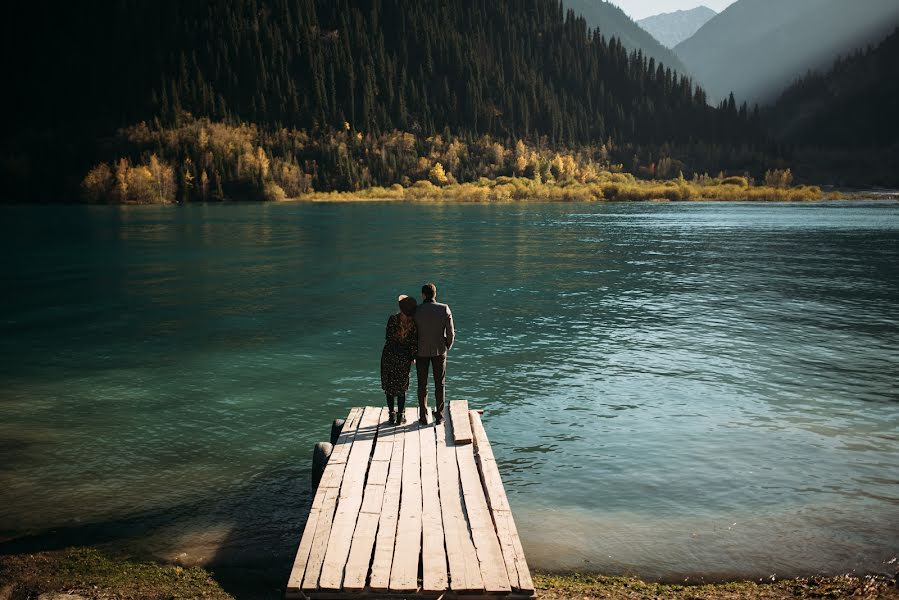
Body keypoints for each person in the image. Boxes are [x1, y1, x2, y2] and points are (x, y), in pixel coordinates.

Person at [414, 282, 454, 425]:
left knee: (422, 384)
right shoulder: (444, 309)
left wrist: (412, 352)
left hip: (420, 351)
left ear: (423, 295)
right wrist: (446, 346)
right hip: (439, 350)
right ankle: (439, 416)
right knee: (440, 384)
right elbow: (451, 333)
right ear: (435, 294)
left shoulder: (416, 310)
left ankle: (424, 417)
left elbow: (413, 334)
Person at [380, 294, 418, 425]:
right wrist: (413, 357)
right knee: (402, 387)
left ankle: (391, 415)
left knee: (389, 385)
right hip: (404, 358)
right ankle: (401, 416)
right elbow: (414, 343)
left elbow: (388, 338)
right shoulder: (413, 323)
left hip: (389, 355)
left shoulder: (393, 319)